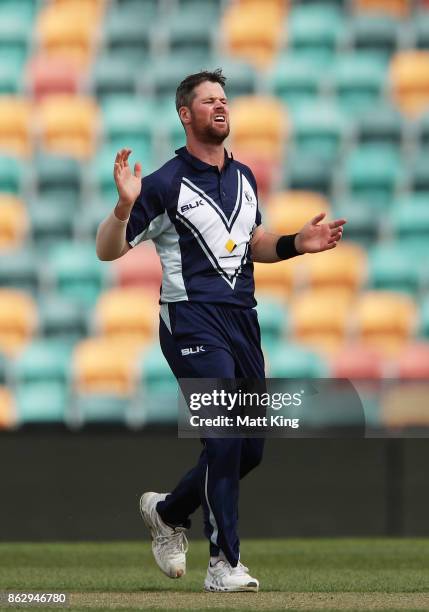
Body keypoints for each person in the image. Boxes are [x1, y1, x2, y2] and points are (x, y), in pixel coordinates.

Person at [96, 69, 346, 593]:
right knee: (226, 434)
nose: (220, 106)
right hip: (191, 322)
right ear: (185, 115)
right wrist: (122, 207)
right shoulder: (164, 182)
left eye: (224, 99)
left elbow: (250, 241)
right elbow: (108, 250)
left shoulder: (245, 177)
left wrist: (298, 243)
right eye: (209, 100)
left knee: (247, 449)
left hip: (241, 323)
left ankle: (168, 511)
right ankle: (224, 566)